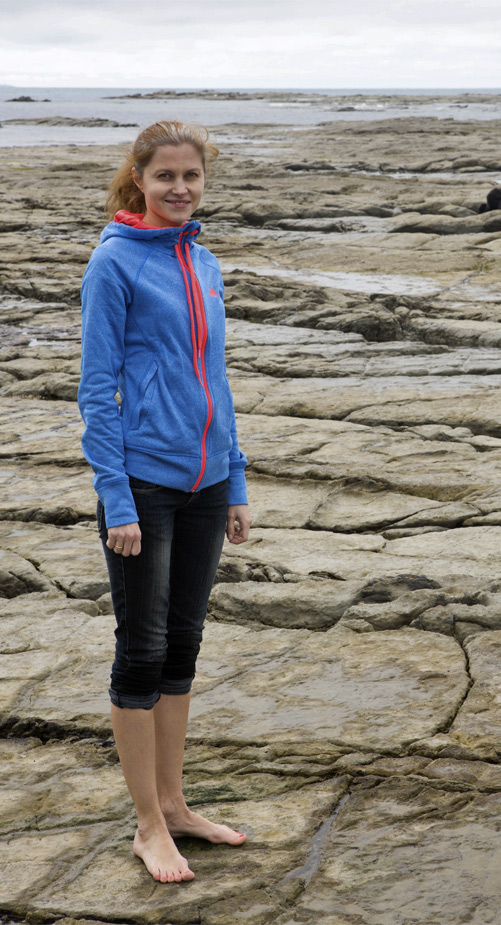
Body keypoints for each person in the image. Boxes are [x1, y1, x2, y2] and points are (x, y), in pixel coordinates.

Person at [79, 120, 253, 884]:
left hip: (208, 483)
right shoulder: (113, 264)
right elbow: (95, 391)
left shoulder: (206, 261)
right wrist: (115, 498)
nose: (180, 188)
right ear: (139, 181)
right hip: (143, 486)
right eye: (166, 176)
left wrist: (236, 480)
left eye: (192, 176)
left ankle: (178, 805)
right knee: (141, 651)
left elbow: (217, 379)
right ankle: (148, 823)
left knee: (183, 648)